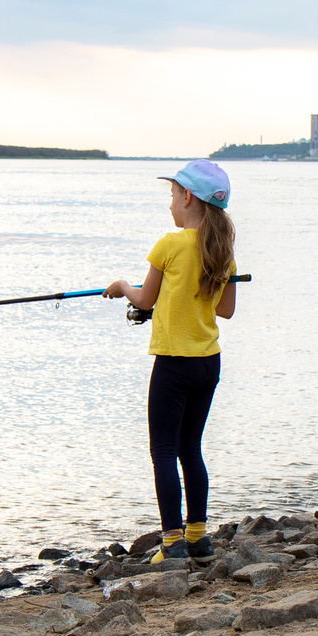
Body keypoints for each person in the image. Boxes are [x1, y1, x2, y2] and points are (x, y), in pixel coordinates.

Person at [105, 158, 237, 563]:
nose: (169, 205)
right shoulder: (222, 251)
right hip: (207, 363)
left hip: (173, 364)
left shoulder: (169, 244)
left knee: (162, 451)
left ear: (187, 197)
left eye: (172, 196)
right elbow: (225, 310)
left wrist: (121, 286)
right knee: (190, 449)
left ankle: (171, 542)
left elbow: (143, 299)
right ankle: (198, 537)